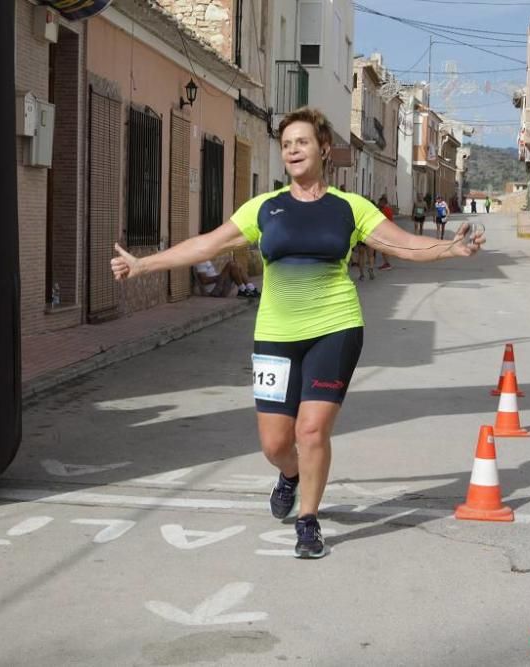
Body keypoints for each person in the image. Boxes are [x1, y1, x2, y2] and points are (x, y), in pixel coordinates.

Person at [111, 107, 485, 559]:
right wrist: (142, 264)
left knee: (311, 431)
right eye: (286, 144)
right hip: (275, 333)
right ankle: (289, 475)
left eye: (301, 142)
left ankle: (308, 520)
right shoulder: (267, 208)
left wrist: (451, 248)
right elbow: (208, 243)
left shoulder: (350, 208)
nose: (292, 150)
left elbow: (401, 244)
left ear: (323, 149)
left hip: (335, 328)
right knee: (275, 444)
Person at [194, 257, 259, 298]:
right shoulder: (200, 261)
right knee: (230, 264)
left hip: (219, 287)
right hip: (214, 291)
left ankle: (251, 289)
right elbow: (204, 280)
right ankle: (242, 290)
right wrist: (221, 276)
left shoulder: (205, 260)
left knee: (237, 265)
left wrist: (222, 276)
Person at [377, 195, 394, 270]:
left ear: (383, 202)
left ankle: (387, 263)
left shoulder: (385, 210)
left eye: (380, 202)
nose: (379, 203)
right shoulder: (387, 209)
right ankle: (386, 263)